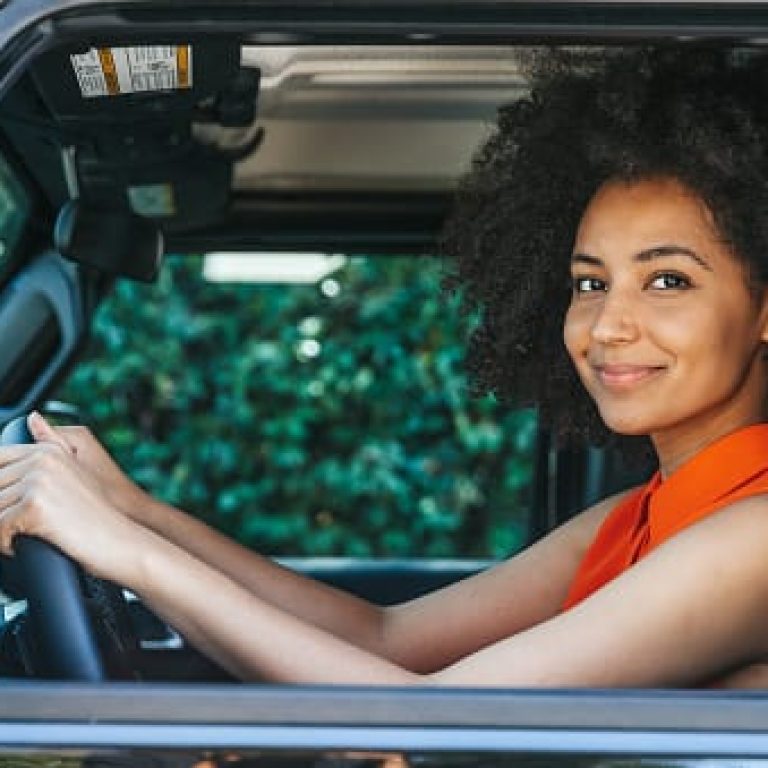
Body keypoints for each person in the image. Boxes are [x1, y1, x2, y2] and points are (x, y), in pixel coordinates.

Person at [2, 45, 768, 687]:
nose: (608, 325)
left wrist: (124, 550)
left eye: (669, 280)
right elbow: (385, 638)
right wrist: (134, 509)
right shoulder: (637, 515)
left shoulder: (754, 536)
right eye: (590, 284)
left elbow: (431, 718)